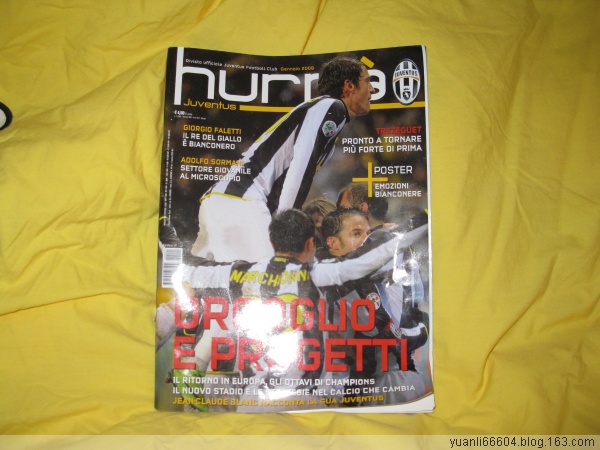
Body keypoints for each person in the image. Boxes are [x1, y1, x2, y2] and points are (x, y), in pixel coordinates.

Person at [169, 209, 428, 412]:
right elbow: (373, 256)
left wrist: (164, 229)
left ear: (272, 243)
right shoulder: (322, 274)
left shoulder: (240, 273)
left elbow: (187, 266)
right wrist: (423, 218)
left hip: (254, 402)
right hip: (308, 401)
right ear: (311, 244)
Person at [190, 56, 375, 262]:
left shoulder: (318, 111)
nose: (373, 89)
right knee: (275, 274)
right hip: (242, 201)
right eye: (368, 81)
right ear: (349, 86)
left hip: (226, 200)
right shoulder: (332, 107)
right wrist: (287, 224)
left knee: (211, 279)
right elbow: (300, 166)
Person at [317, 207, 429, 407]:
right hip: (344, 387)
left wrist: (410, 333)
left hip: (395, 379)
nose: (366, 240)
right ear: (332, 243)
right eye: (356, 234)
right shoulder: (324, 275)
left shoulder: (385, 265)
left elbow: (409, 324)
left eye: (367, 233)